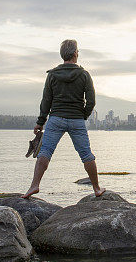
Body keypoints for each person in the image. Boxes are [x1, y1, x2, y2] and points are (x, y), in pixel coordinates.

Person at [23, 39, 104, 198]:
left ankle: (34, 186)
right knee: (86, 154)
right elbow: (91, 101)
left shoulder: (52, 75)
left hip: (55, 119)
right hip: (76, 120)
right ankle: (96, 188)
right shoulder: (84, 75)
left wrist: (40, 122)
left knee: (45, 152)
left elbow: (46, 100)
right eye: (78, 51)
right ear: (75, 53)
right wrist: (83, 115)